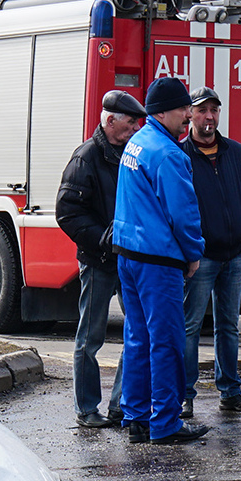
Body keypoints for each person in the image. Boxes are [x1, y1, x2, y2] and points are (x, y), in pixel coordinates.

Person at [113, 78, 209, 445]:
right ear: (162, 112)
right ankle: (166, 422)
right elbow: (183, 214)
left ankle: (136, 416)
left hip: (130, 257)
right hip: (158, 261)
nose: (189, 115)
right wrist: (193, 253)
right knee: (167, 341)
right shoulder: (169, 154)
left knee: (137, 338)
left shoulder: (136, 143)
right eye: (184, 109)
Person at [57, 89, 147, 429]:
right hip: (98, 261)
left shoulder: (129, 154)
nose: (135, 128)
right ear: (109, 121)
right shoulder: (86, 157)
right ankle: (87, 409)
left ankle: (121, 404)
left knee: (136, 333)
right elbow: (66, 213)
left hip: (127, 259)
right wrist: (101, 239)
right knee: (90, 338)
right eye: (129, 123)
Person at [179, 86, 241, 417]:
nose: (209, 116)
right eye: (202, 110)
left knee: (228, 326)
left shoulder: (235, 152)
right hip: (201, 258)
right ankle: (185, 396)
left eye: (214, 110)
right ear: (191, 115)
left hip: (233, 255)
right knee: (190, 326)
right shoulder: (181, 155)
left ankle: (230, 392)